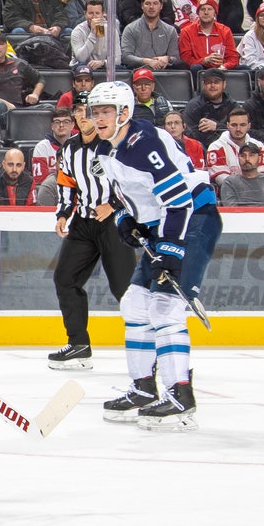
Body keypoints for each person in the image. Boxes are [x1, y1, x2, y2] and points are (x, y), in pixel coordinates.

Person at [89, 80, 221, 431]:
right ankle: (144, 387)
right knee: (134, 303)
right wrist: (126, 219)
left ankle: (180, 393)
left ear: (125, 112)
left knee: (164, 306)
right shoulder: (107, 148)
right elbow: (124, 196)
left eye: (107, 111)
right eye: (96, 111)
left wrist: (172, 251)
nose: (99, 117)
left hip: (194, 219)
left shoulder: (145, 144)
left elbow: (179, 201)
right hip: (164, 224)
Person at [47, 103, 134, 370]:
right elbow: (66, 183)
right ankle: (79, 345)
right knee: (65, 278)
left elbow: (132, 182)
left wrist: (115, 206)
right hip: (84, 222)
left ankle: (149, 345)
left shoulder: (114, 145)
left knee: (125, 289)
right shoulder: (69, 148)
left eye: (90, 112)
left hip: (113, 223)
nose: (85, 117)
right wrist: (63, 213)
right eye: (80, 112)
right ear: (74, 116)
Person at [0, 33, 45, 135]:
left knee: (48, 108)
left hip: (19, 110)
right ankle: (6, 137)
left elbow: (40, 79)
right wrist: (6, 104)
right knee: (0, 105)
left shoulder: (19, 64)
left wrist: (35, 94)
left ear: (6, 46)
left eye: (1, 44)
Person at [177, 0, 238, 73]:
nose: (206, 12)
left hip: (221, 70)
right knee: (196, 68)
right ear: (198, 12)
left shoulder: (225, 31)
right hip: (199, 70)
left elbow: (233, 57)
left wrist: (224, 66)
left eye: (209, 9)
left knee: (244, 68)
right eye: (202, 9)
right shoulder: (186, 31)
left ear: (215, 12)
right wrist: (204, 61)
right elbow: (185, 60)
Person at [205, 109, 264, 186]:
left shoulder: (259, 146)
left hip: (257, 189)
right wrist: (243, 187)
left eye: (242, 125)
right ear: (228, 125)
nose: (238, 129)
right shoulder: (216, 147)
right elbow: (221, 179)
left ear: (249, 126)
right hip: (229, 192)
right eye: (234, 125)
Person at [120, 0, 180, 72]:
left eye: (155, 3)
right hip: (138, 73)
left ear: (161, 6)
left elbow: (175, 57)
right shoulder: (130, 29)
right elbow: (126, 57)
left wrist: (167, 58)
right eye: (147, 3)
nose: (151, 7)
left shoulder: (170, 30)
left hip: (163, 72)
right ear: (142, 6)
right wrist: (147, 61)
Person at [219, 142, 264, 206]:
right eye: (243, 155)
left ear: (259, 158)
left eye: (251, 155)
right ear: (238, 158)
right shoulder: (230, 182)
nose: (247, 159)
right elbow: (231, 211)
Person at [183, 68, 239, 148]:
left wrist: (217, 127)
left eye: (216, 82)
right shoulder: (193, 106)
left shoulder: (233, 106)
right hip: (201, 149)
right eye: (209, 82)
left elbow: (239, 130)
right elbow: (188, 133)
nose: (212, 86)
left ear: (224, 84)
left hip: (229, 148)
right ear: (203, 85)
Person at [32, 107, 75, 186]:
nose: (61, 125)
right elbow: (40, 180)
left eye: (66, 122)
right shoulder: (42, 147)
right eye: (57, 122)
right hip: (51, 191)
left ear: (72, 125)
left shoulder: (79, 146)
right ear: (52, 126)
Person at [70, 0, 114, 71]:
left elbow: (117, 59)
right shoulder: (77, 31)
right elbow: (81, 58)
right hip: (82, 69)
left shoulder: (110, 30)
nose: (94, 17)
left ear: (103, 14)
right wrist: (93, 33)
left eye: (97, 13)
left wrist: (103, 63)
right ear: (85, 14)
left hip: (103, 68)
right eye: (90, 13)